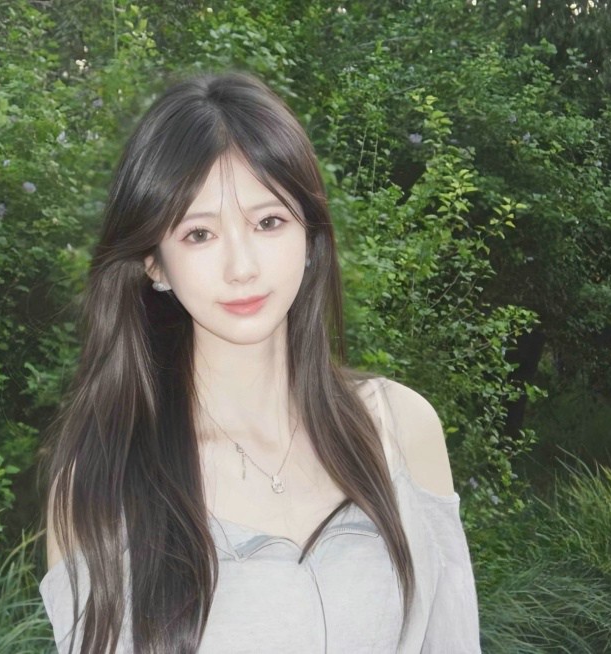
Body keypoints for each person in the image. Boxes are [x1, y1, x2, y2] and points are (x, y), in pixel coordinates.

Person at [42, 72, 480, 653]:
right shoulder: (102, 482)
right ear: (155, 263)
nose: (242, 266)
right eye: (199, 234)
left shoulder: (401, 428)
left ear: (309, 236)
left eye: (268, 222)